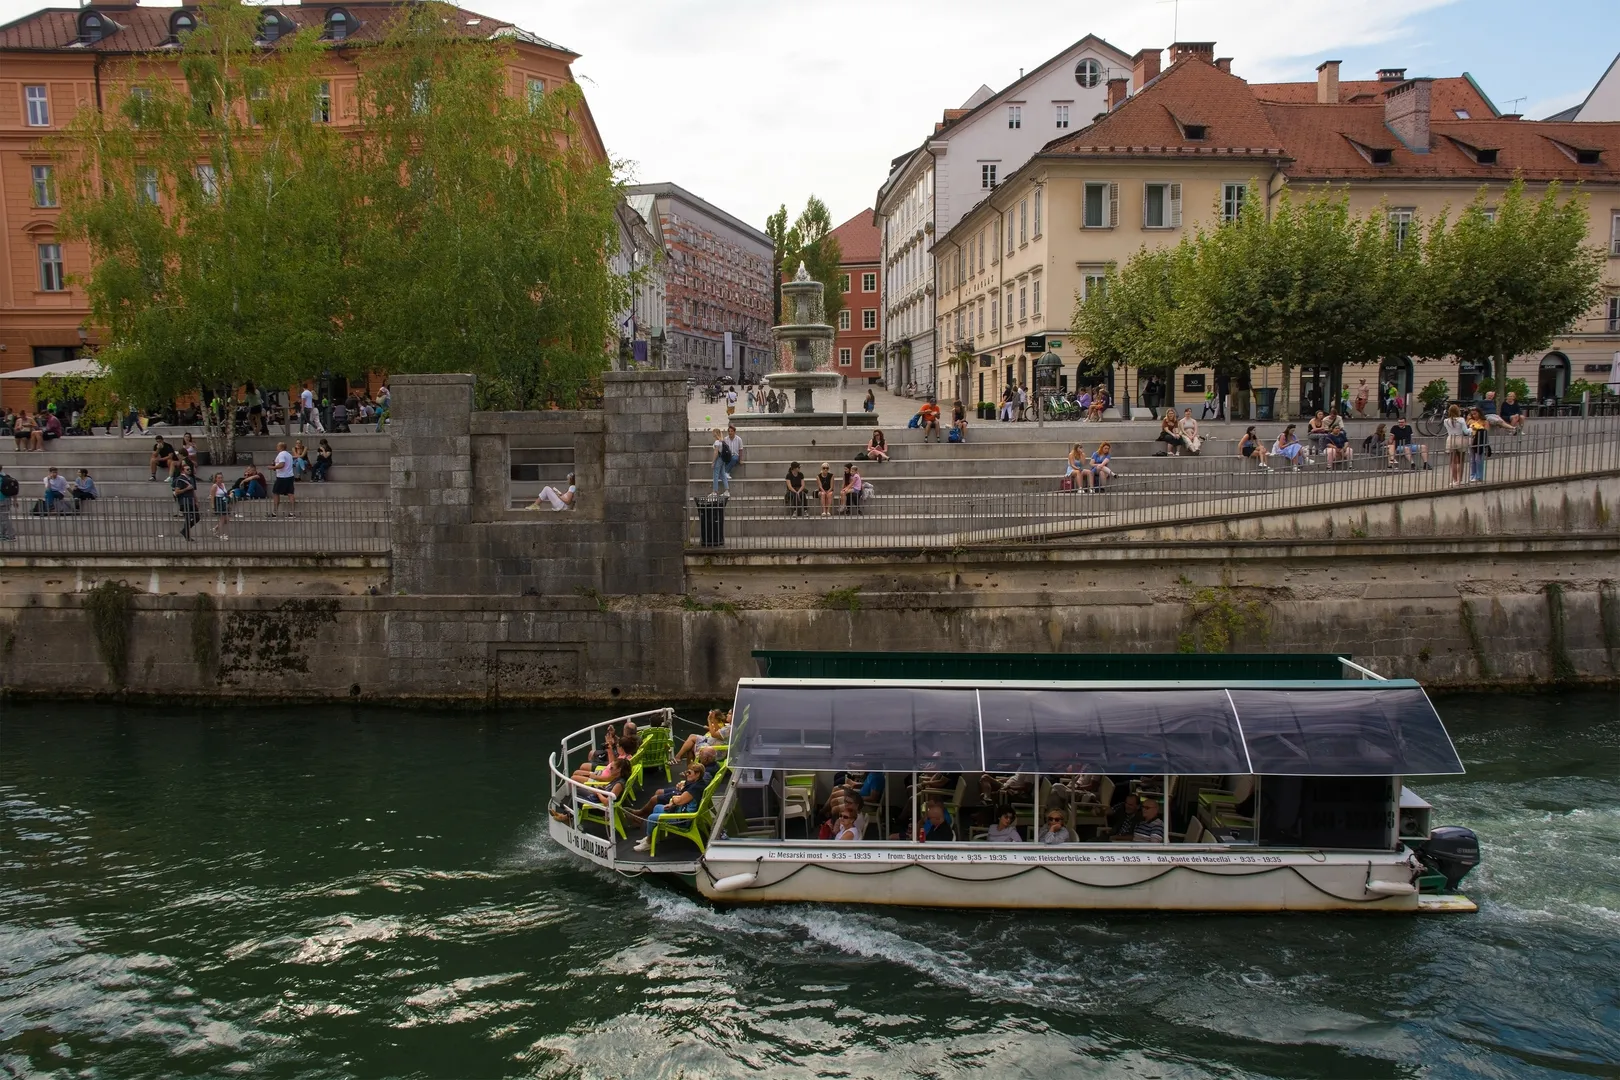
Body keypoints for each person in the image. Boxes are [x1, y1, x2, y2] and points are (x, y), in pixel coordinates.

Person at [633, 759, 712, 852]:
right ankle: (652, 836)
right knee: (657, 807)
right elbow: (680, 798)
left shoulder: (695, 788)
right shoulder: (696, 783)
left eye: (689, 773)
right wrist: (673, 802)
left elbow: (679, 800)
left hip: (683, 819)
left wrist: (674, 799)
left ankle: (649, 843)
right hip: (681, 810)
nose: (686, 774)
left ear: (697, 774)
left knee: (651, 817)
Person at [171, 461, 200, 541]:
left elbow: (193, 491)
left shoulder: (190, 479)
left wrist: (196, 501)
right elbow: (177, 491)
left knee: (197, 517)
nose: (189, 470)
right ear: (183, 471)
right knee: (187, 518)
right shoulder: (180, 480)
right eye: (187, 469)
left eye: (190, 469)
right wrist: (187, 488)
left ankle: (184, 530)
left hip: (191, 501)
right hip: (184, 501)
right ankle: (187, 535)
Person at [1442, 404, 1470, 486]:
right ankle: (1459, 480)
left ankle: (1454, 480)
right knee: (1460, 461)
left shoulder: (1446, 421)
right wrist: (1471, 428)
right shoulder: (1461, 419)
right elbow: (1466, 431)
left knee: (1452, 461)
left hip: (1450, 439)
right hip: (1460, 438)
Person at [271, 441, 297, 516]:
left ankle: (274, 512)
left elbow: (282, 464)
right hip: (289, 476)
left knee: (276, 493)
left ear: (281, 447)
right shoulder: (288, 454)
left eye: (277, 446)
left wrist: (273, 467)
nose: (276, 447)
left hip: (282, 477)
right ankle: (292, 512)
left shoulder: (281, 454)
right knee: (290, 493)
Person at [1466, 407, 1490, 483]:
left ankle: (1479, 476)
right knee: (1472, 459)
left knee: (1478, 459)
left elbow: (1486, 431)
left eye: (1475, 414)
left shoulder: (1484, 421)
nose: (1474, 415)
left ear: (1479, 413)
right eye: (1472, 414)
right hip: (1472, 439)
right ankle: (1473, 475)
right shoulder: (1470, 421)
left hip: (1479, 440)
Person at [210, 472, 231, 539]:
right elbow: (212, 496)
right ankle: (222, 534)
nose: (220, 479)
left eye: (221, 478)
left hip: (223, 501)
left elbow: (225, 493)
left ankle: (215, 529)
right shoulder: (214, 486)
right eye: (219, 478)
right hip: (218, 502)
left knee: (226, 519)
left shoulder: (223, 484)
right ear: (216, 479)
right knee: (222, 519)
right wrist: (213, 506)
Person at [710, 428, 731, 494]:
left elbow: (716, 452)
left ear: (715, 433)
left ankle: (715, 491)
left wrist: (713, 462)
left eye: (713, 433)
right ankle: (727, 490)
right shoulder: (722, 441)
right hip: (723, 459)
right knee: (723, 474)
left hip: (718, 459)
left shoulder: (717, 442)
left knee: (715, 475)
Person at [0, 464, 15, 541]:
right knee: (3, 518)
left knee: (4, 519)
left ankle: (11, 535)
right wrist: (15, 500)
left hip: (1, 500)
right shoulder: (6, 476)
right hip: (7, 499)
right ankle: (2, 534)